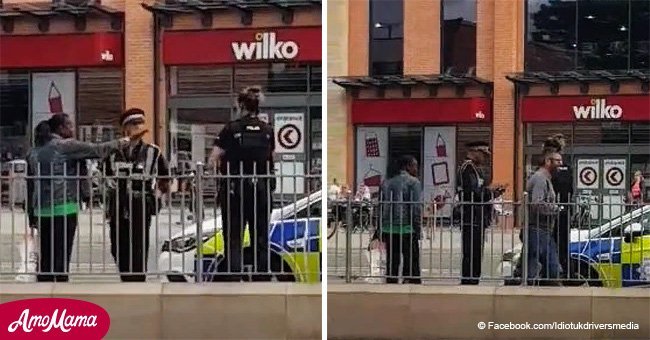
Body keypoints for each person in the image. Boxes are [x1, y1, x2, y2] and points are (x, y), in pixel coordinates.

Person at [25, 114, 131, 282]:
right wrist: (122, 142)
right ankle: (59, 291)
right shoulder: (65, 146)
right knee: (61, 255)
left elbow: (30, 185)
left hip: (41, 210)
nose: (73, 130)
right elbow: (97, 150)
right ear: (60, 128)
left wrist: (30, 213)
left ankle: (45, 291)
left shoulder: (34, 151)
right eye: (70, 126)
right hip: (64, 207)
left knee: (47, 256)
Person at [208, 86, 275, 282]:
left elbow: (214, 158)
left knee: (234, 235)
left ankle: (233, 273)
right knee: (260, 235)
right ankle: (261, 274)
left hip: (234, 190)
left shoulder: (231, 129)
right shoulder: (267, 130)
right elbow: (271, 158)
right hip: (260, 190)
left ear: (241, 106)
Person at [105, 108, 170, 282]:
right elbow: (102, 173)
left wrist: (157, 196)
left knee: (139, 244)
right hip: (118, 203)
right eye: (134, 124)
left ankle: (137, 279)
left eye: (141, 123)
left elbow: (165, 177)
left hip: (141, 202)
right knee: (117, 246)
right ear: (125, 128)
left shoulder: (153, 151)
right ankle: (125, 276)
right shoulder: (112, 150)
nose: (139, 127)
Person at [456, 141, 504, 285]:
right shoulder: (467, 168)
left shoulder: (476, 169)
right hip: (471, 216)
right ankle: (469, 280)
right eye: (483, 154)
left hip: (478, 215)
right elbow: (473, 193)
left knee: (477, 252)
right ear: (474, 151)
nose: (485, 158)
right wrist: (491, 193)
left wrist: (491, 191)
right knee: (471, 252)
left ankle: (473, 278)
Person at [377, 155, 422, 284]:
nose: (416, 169)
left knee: (392, 261)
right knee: (411, 261)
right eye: (415, 166)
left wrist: (380, 227)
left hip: (388, 228)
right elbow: (415, 208)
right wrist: (417, 228)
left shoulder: (386, 182)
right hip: (407, 228)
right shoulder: (414, 182)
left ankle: (391, 284)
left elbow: (380, 207)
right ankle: (409, 282)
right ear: (407, 166)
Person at [524, 150, 563, 286]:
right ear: (548, 161)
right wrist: (556, 209)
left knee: (550, 270)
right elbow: (537, 204)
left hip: (543, 230)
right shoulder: (540, 179)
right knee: (549, 269)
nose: (561, 164)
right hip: (538, 230)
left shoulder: (545, 179)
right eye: (557, 161)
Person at [542, 134, 573, 279]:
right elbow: (571, 190)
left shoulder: (548, 171)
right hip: (563, 209)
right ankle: (564, 271)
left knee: (549, 242)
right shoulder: (567, 168)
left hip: (550, 212)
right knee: (561, 243)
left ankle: (552, 272)